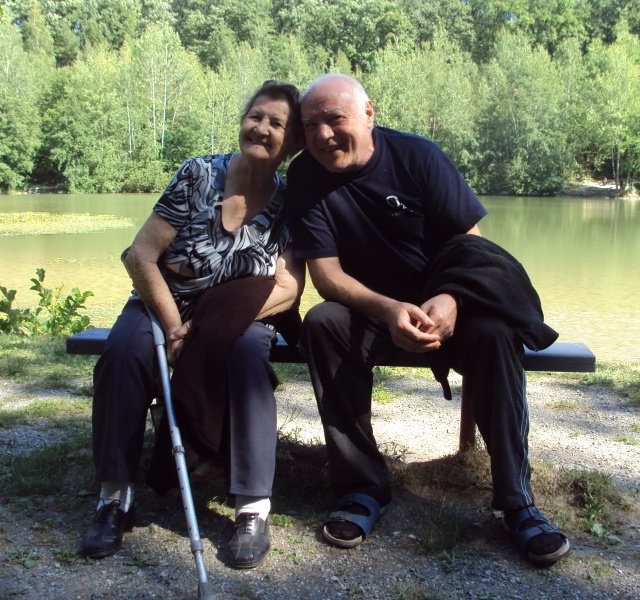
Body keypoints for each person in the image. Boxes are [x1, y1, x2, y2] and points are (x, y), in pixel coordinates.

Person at [286, 74, 570, 566]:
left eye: (334, 119)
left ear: (368, 114)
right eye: (311, 125)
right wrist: (389, 309)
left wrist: (452, 299)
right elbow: (326, 277)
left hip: (448, 305)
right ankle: (361, 488)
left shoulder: (418, 156)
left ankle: (517, 502)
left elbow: (471, 244)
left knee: (496, 333)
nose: (324, 135)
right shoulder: (305, 176)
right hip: (372, 313)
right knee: (323, 322)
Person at [82, 80, 305, 570]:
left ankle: (253, 508)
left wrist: (216, 326)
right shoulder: (199, 175)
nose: (261, 128)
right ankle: (114, 497)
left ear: (292, 145)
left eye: (277, 124)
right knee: (124, 353)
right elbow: (140, 255)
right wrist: (174, 326)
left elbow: (289, 287)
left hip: (237, 313)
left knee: (247, 358)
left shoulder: (290, 202)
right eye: (255, 116)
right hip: (164, 300)